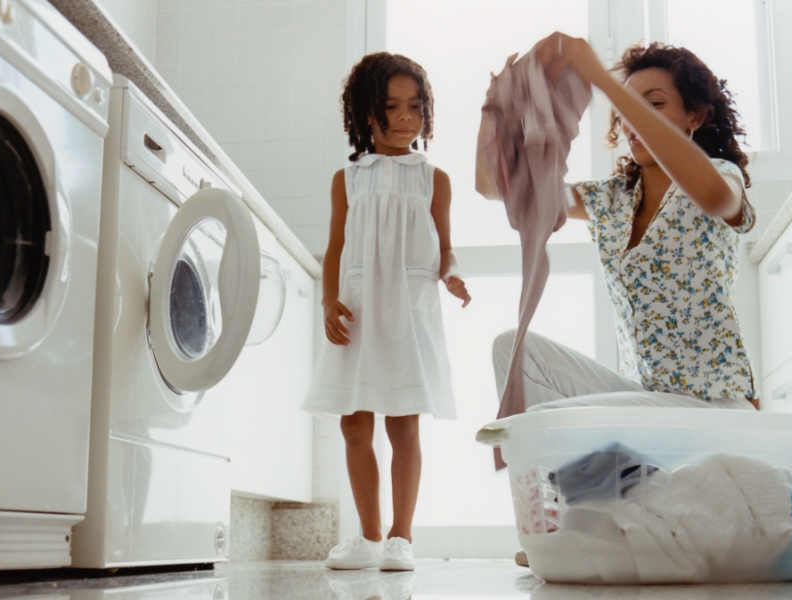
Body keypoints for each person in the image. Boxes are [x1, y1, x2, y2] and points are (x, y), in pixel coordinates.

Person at [494, 36, 759, 566]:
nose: (633, 118)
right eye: (626, 108)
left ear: (695, 115)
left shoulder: (720, 179)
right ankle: (575, 518)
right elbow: (509, 189)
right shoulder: (614, 202)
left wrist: (599, 74)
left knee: (580, 420)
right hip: (649, 408)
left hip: (714, 409)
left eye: (653, 103)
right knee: (515, 350)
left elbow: (712, 195)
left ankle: (584, 525)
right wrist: (509, 110)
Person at [303, 52, 470, 572]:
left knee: (403, 427)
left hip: (408, 312)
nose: (404, 118)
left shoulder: (433, 179)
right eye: (391, 107)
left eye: (415, 106)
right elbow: (334, 249)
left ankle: (402, 537)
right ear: (363, 114)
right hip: (357, 310)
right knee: (355, 426)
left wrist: (453, 274)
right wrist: (330, 300)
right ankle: (368, 536)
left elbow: (445, 246)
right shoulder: (347, 179)